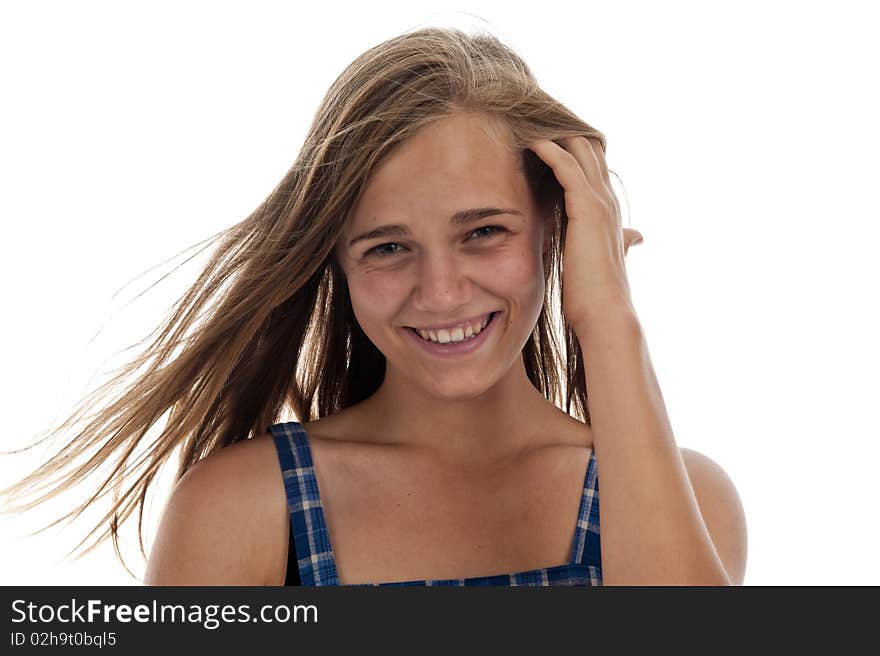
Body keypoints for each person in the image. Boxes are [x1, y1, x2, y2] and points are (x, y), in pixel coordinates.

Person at [1, 26, 747, 586]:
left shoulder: (683, 500)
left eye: (484, 232)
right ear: (337, 261)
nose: (442, 291)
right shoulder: (243, 512)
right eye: (388, 248)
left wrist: (610, 322)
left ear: (559, 229)